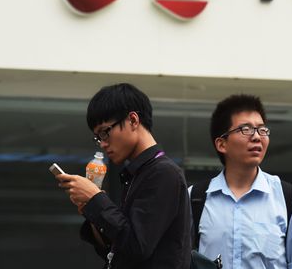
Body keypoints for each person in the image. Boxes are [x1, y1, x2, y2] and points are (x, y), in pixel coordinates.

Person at [56, 83, 191, 269]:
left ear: (133, 120)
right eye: (98, 138)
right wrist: (91, 207)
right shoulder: (139, 174)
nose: (102, 144)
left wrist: (96, 199)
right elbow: (115, 251)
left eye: (105, 132)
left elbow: (136, 246)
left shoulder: (163, 172)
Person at [190, 94, 292, 268]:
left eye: (262, 129)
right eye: (246, 129)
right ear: (222, 144)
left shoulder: (286, 197)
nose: (257, 137)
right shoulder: (195, 198)